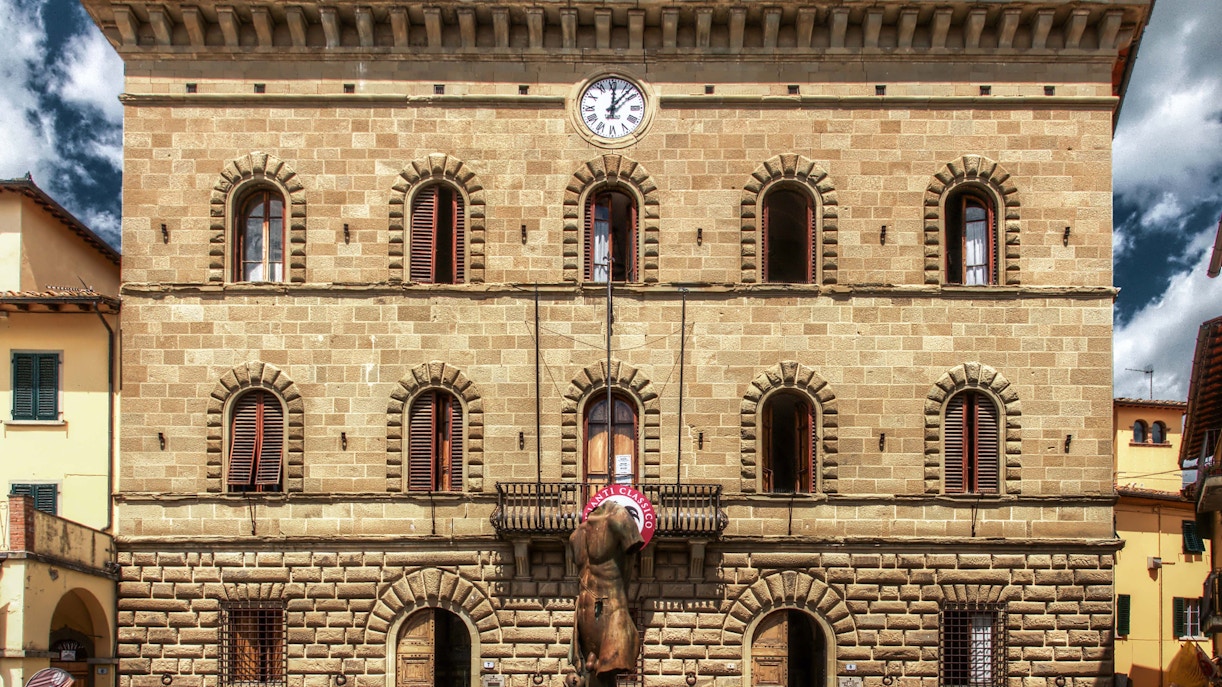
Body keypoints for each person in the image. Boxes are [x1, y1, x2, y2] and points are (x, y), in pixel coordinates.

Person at [567, 501, 644, 687]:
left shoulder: (617, 517)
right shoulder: (576, 535)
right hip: (584, 618)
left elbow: (633, 547)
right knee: (590, 674)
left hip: (612, 611)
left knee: (605, 676)